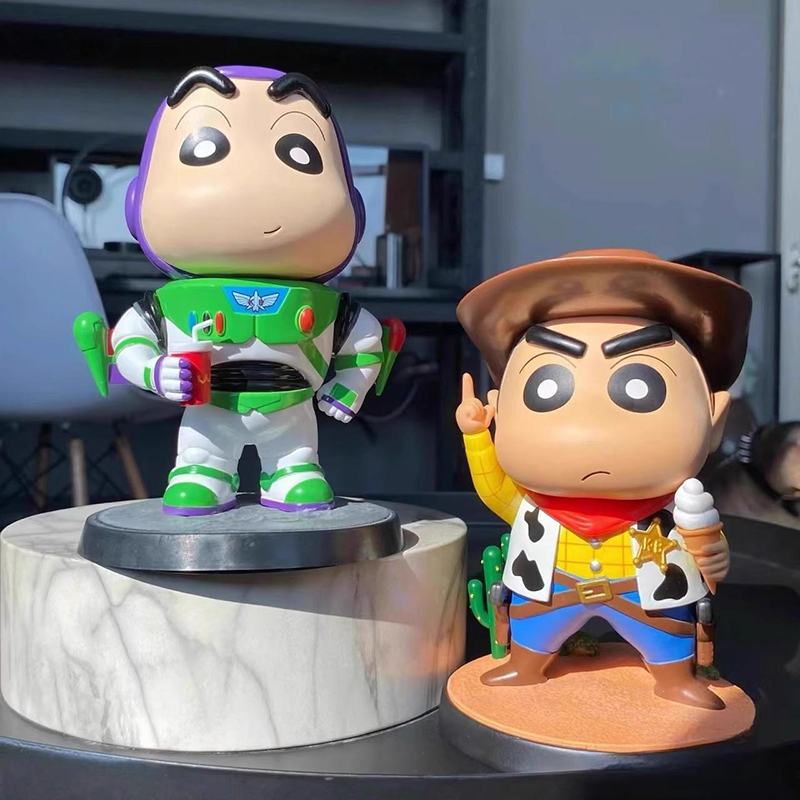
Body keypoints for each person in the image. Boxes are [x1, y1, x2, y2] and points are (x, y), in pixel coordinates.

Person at [456, 248, 751, 709]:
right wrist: (476, 436)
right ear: (501, 411)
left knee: (668, 632)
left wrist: (712, 551)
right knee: (534, 625)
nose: (590, 427)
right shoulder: (536, 509)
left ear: (714, 419)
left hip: (647, 592)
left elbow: (708, 549)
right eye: (547, 388)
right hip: (553, 586)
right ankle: (526, 664)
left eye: (640, 387)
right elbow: (494, 489)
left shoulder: (676, 510)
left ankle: (675, 678)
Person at [100, 66, 394, 515]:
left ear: (354, 207)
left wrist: (351, 385)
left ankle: (294, 471)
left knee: (299, 470)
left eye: (300, 153)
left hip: (292, 412)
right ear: (137, 201)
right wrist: (154, 371)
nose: (253, 187)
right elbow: (128, 343)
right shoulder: (165, 305)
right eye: (204, 149)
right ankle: (202, 470)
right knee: (200, 467)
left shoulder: (331, 307)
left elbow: (368, 342)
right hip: (209, 411)